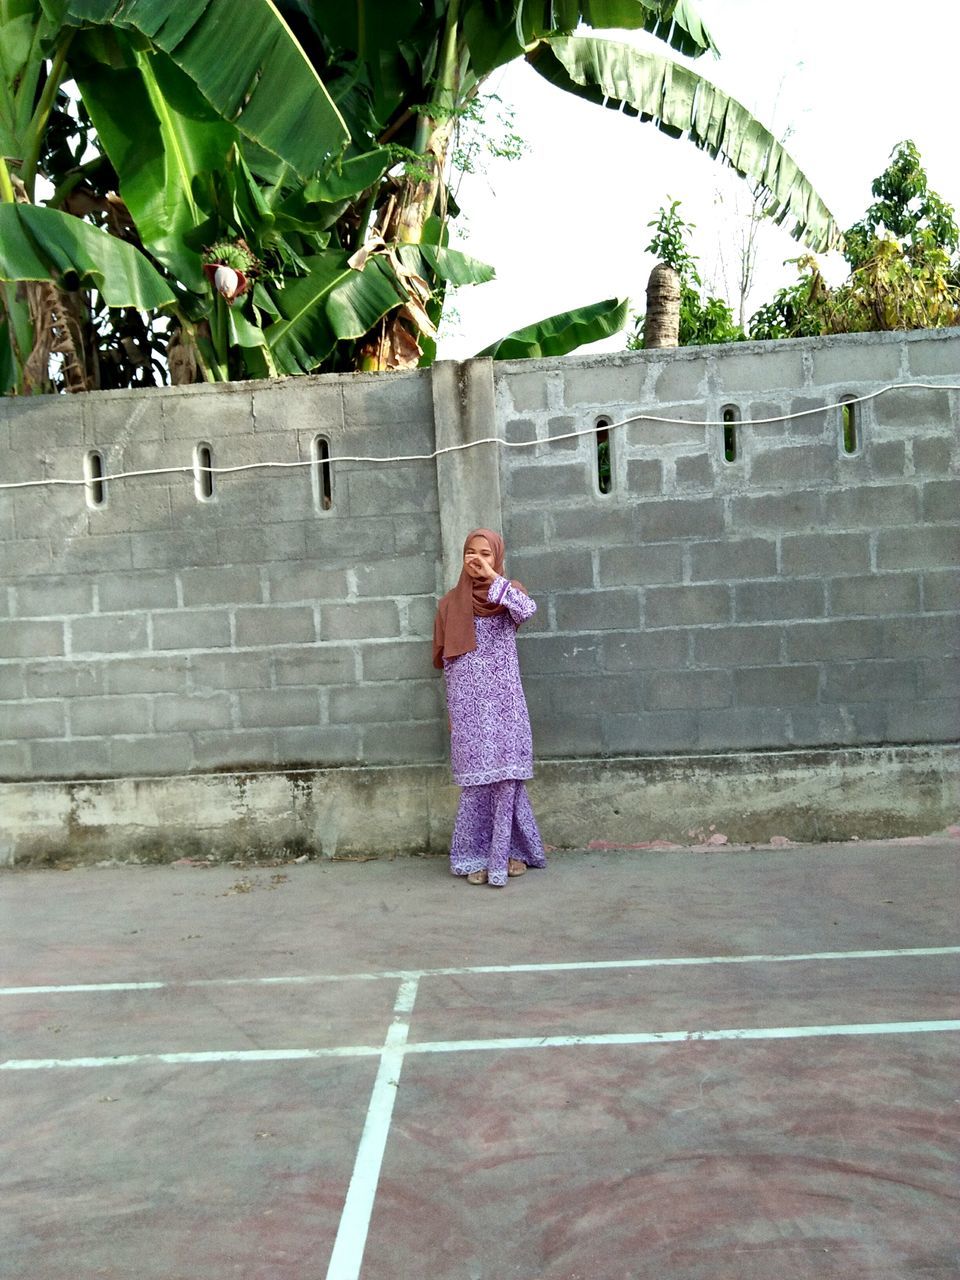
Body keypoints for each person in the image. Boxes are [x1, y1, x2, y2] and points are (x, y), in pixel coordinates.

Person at [432, 528, 547, 887]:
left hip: (504, 703)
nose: (476, 558)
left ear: (496, 557)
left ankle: (510, 853)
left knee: (506, 778)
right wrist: (452, 710)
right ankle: (475, 856)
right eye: (470, 552)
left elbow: (528, 611)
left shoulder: (506, 594)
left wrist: (494, 576)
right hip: (468, 706)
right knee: (477, 784)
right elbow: (447, 664)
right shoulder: (450, 603)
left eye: (485, 553)